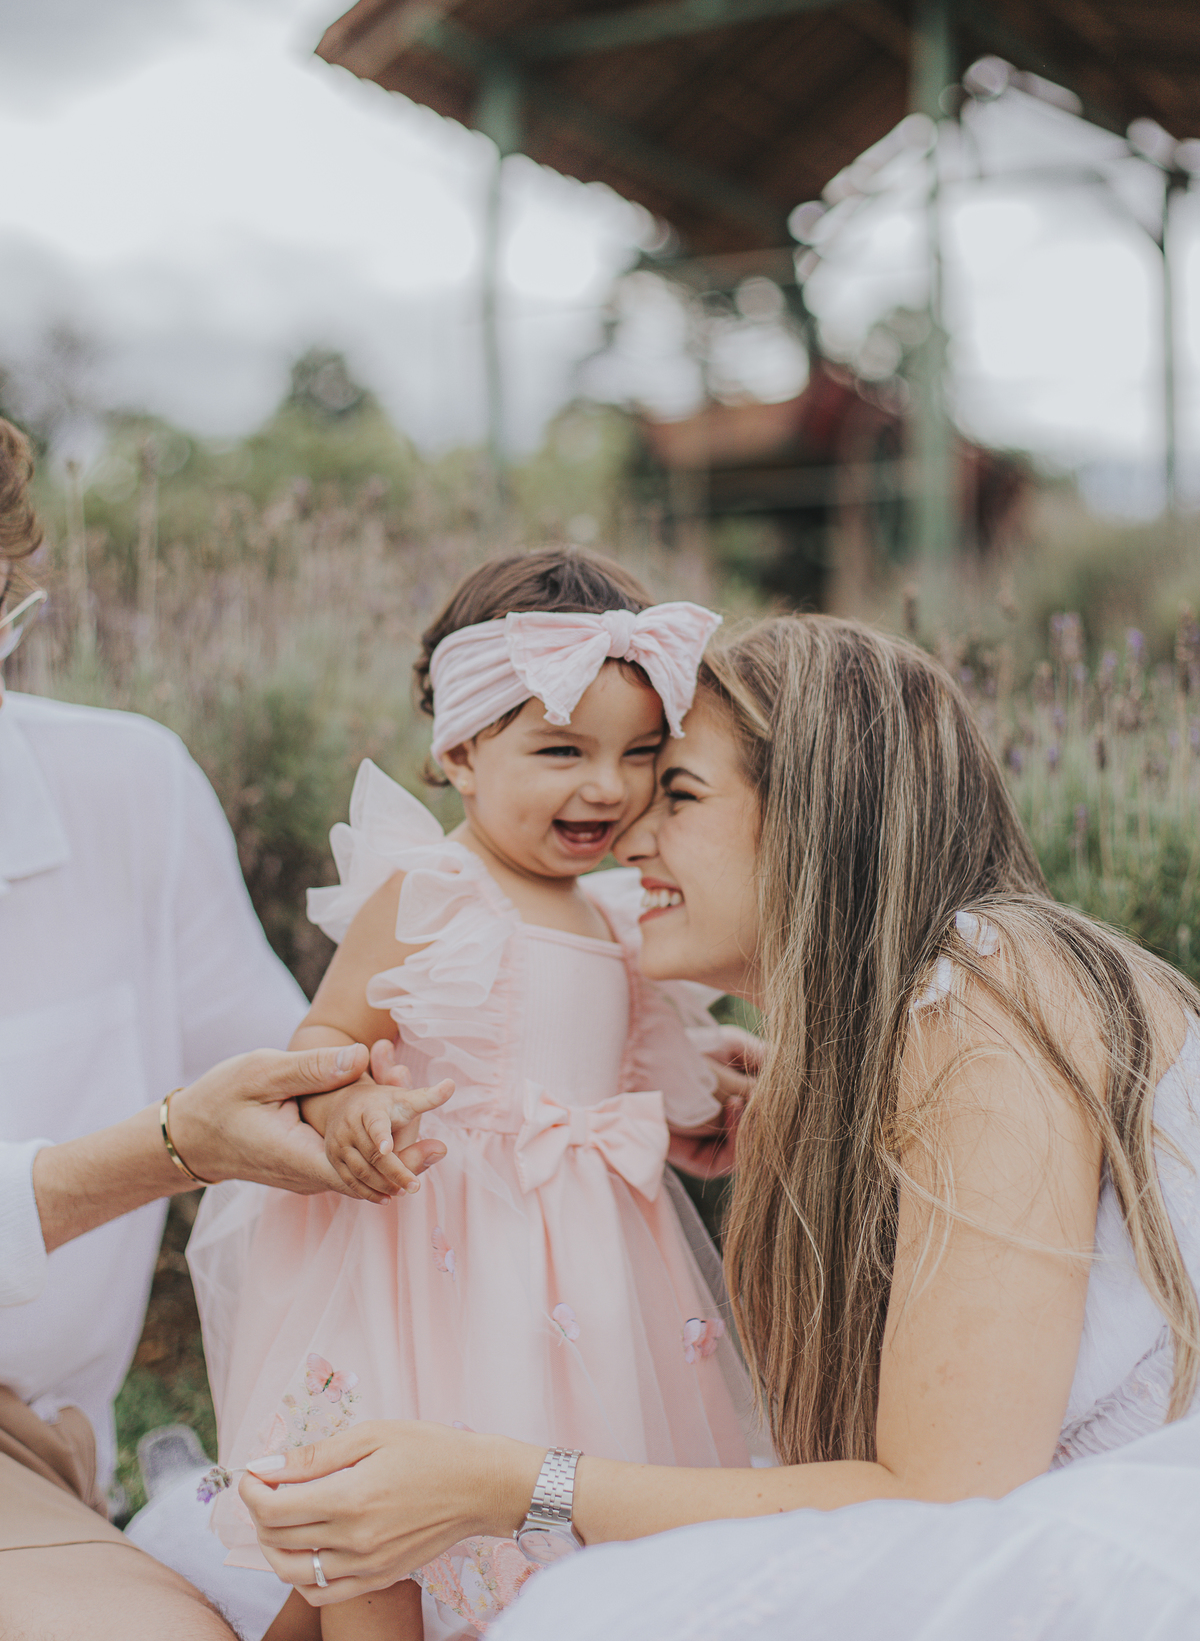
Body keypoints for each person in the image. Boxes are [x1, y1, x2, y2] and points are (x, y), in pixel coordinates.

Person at [239, 614, 1200, 1640]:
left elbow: (939, 1499)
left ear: (820, 813)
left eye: (679, 792)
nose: (629, 835)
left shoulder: (992, 1000)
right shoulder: (921, 1030)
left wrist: (510, 1486)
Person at [189, 549, 757, 1641]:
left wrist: (695, 1109)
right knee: (374, 1540)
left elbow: (619, 1071)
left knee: (544, 1536)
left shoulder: (616, 913)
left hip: (587, 1269)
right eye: (562, 750)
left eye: (642, 754)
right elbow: (326, 1041)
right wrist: (349, 1110)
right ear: (459, 752)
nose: (608, 786)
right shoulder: (436, 891)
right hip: (435, 1260)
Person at [0, 415, 447, 1641]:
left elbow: (289, 1072)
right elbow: (198, 1131)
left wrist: (594, 1056)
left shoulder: (130, 788)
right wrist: (164, 1149)